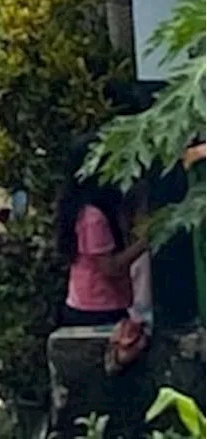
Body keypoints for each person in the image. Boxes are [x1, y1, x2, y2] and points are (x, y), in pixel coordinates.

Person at [56, 133, 148, 327]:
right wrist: (145, 242)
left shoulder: (90, 206)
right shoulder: (93, 217)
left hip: (93, 302)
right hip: (97, 309)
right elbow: (110, 268)